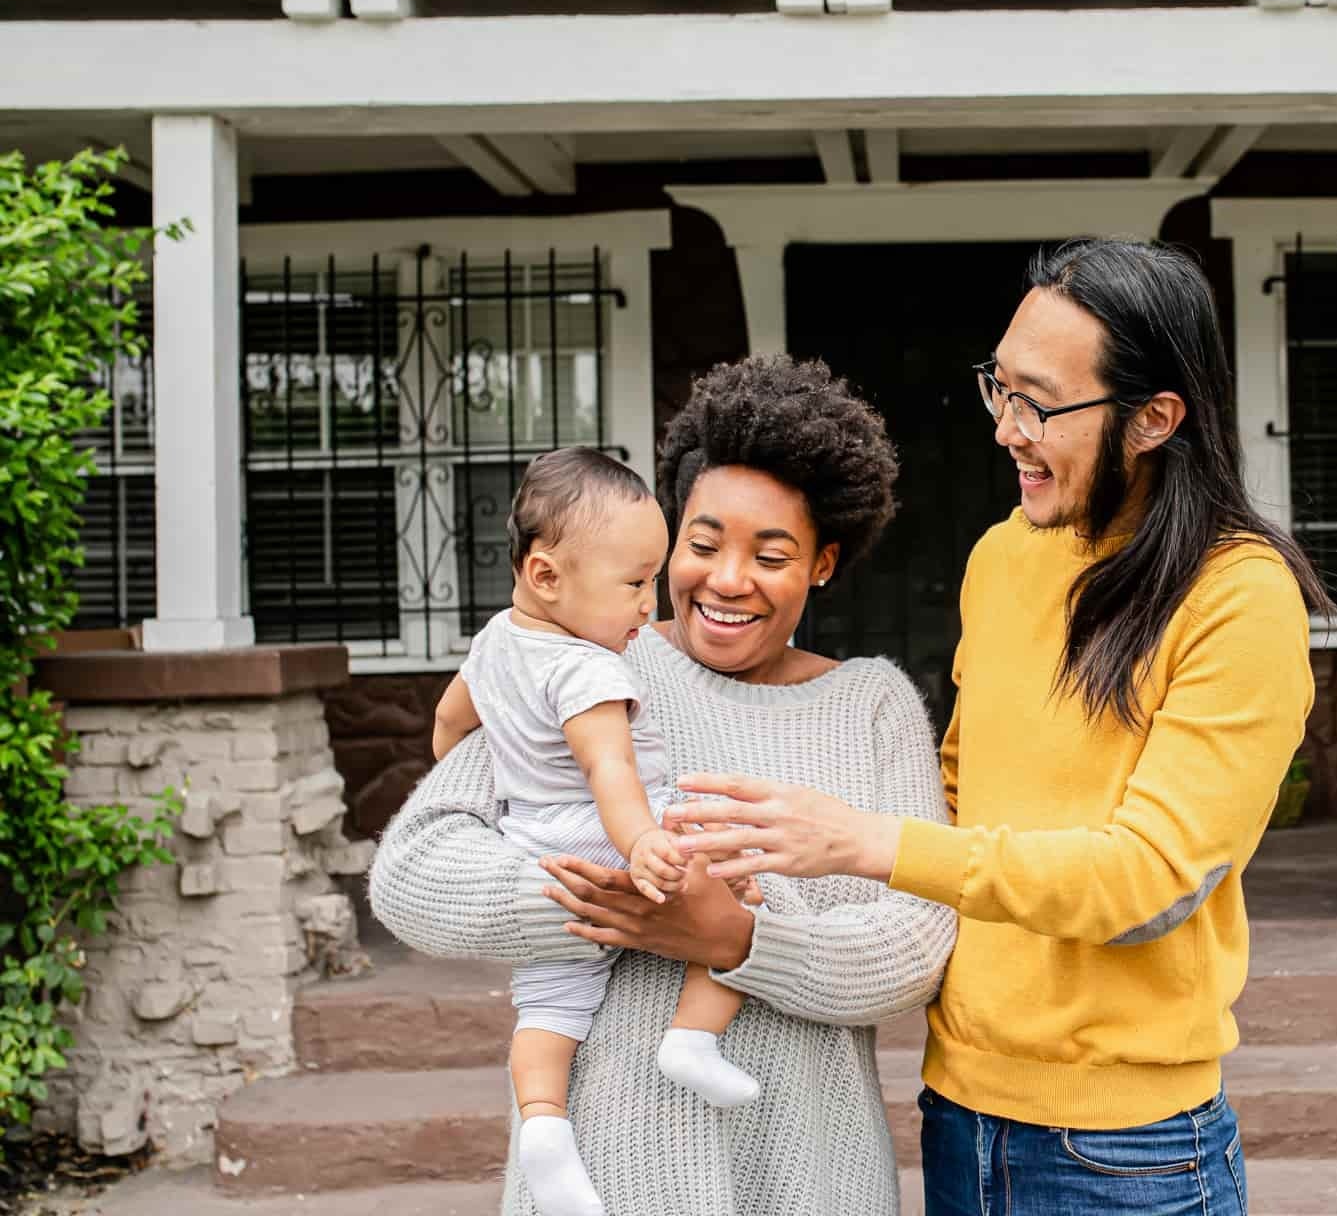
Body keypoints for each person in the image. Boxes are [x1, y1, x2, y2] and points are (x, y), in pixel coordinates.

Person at [666, 239, 1335, 1216]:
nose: (1006, 430)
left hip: (1126, 1149)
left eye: (1041, 403)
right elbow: (956, 784)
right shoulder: (1004, 556)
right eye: (999, 389)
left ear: (1154, 418)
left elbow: (1148, 882)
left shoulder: (1239, 597)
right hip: (960, 1108)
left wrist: (865, 840)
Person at [369, 356, 957, 1216]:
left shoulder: (871, 706)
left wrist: (739, 938)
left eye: (772, 554)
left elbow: (918, 946)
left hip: (812, 1175)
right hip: (613, 1172)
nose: (726, 580)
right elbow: (412, 874)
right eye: (704, 543)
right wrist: (619, 902)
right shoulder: (588, 661)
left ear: (824, 564)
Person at [426, 447, 762, 1216]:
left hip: (538, 854)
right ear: (547, 576)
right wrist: (644, 841)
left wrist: (495, 783)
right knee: (747, 889)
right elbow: (611, 769)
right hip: (611, 835)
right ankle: (692, 1037)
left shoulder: (492, 644)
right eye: (634, 583)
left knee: (547, 1008)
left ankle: (544, 1128)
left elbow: (447, 728)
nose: (649, 604)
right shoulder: (587, 669)